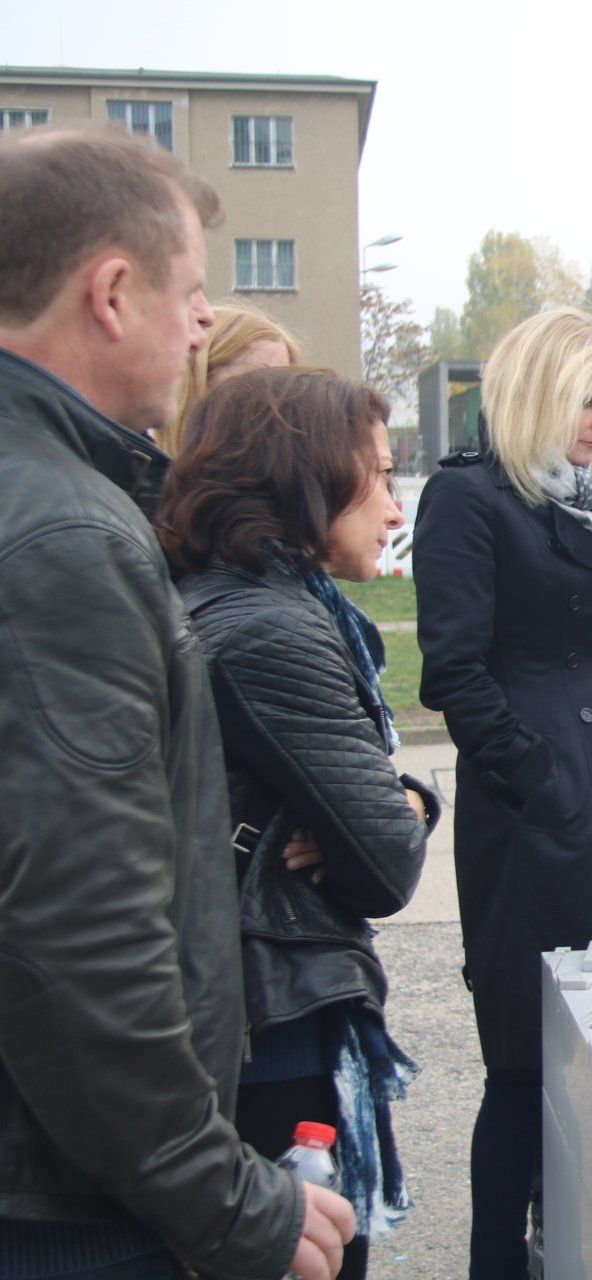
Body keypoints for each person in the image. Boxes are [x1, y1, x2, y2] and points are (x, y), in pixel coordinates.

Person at [0, 125, 352, 1280]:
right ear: (111, 292)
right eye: (192, 290)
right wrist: (226, 1201)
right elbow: (78, 934)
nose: (204, 322)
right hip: (66, 1203)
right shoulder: (62, 534)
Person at [412, 306, 592, 1280]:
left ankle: (581, 1253)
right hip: (537, 821)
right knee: (525, 1070)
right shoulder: (470, 497)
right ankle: (498, 1263)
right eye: (589, 399)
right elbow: (453, 671)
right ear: (540, 386)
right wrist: (543, 783)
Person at [158, 368, 437, 1280]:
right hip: (272, 1028)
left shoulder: (256, 600)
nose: (395, 511)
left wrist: (406, 801)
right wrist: (392, 813)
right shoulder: (271, 627)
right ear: (308, 475)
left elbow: (382, 810)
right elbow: (387, 864)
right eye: (380, 478)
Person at [159, 303, 300, 453]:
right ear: (198, 380)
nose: (275, 403)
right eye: (257, 383)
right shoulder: (140, 466)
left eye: (282, 384)